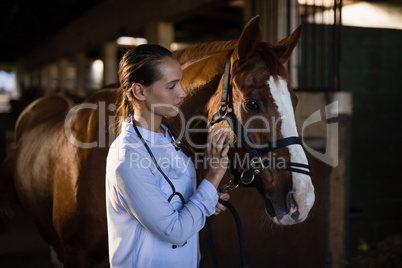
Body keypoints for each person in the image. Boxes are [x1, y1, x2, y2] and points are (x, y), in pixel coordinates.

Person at [106, 44, 230, 268]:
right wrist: (214, 175)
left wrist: (208, 196)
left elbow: (176, 201)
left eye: (180, 82)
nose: (182, 92)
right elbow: (174, 231)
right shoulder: (126, 159)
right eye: (171, 86)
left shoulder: (169, 137)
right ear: (139, 92)